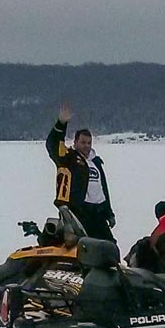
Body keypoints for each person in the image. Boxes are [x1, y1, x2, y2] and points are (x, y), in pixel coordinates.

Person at [46, 104, 115, 242]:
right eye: (83, 142)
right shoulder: (68, 158)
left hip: (98, 213)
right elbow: (53, 145)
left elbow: (103, 190)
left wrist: (109, 212)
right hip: (78, 211)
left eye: (89, 143)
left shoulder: (96, 163)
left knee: (109, 245)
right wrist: (61, 124)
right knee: (82, 245)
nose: (86, 146)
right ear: (75, 142)